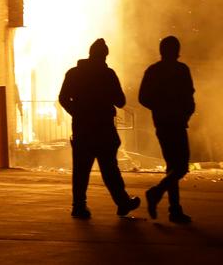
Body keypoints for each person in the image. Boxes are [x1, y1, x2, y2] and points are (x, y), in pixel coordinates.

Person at [58, 38, 141, 219]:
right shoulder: (108, 74)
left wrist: (77, 113)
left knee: (81, 170)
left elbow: (63, 98)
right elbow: (121, 101)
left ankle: (79, 206)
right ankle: (122, 202)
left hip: (82, 129)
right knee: (110, 169)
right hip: (104, 129)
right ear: (104, 56)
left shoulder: (74, 73)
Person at [138, 35, 196, 223]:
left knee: (173, 166)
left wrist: (159, 107)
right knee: (181, 167)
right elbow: (189, 96)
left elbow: (143, 98)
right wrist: (185, 112)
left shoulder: (153, 71)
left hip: (163, 123)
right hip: (177, 123)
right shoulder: (181, 70)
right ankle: (158, 194)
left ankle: (174, 208)